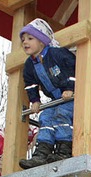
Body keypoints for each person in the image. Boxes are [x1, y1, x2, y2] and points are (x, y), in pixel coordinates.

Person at [18, 18, 76, 169]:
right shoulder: (30, 64)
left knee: (62, 114)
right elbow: (30, 83)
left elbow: (73, 68)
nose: (25, 42)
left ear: (42, 41)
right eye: (23, 40)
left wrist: (70, 87)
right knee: (45, 117)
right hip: (54, 98)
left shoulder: (56, 54)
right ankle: (42, 152)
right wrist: (35, 100)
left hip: (69, 95)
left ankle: (64, 149)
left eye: (30, 38)